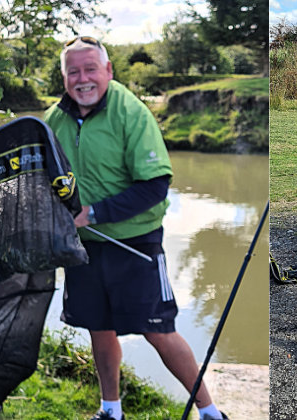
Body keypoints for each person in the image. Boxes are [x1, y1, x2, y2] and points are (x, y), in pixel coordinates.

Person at [44, 37, 227, 420]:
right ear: (63, 77)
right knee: (98, 327)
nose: (82, 79)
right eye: (73, 71)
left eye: (90, 69)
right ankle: (111, 410)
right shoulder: (53, 119)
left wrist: (92, 213)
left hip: (135, 242)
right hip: (82, 246)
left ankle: (210, 412)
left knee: (158, 329)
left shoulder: (130, 111)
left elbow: (156, 185)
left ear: (108, 71)